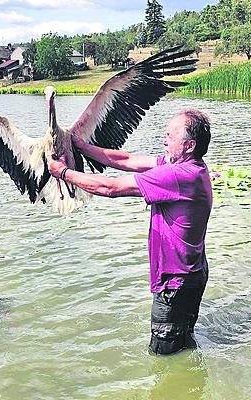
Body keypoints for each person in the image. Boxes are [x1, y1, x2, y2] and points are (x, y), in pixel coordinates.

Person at [46, 109, 213, 355]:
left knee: (163, 358)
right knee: (184, 346)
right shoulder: (191, 167)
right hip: (192, 275)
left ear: (189, 145)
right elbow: (126, 160)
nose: (163, 140)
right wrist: (80, 146)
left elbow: (111, 187)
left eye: (169, 136)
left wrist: (62, 172)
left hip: (174, 283)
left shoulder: (177, 175)